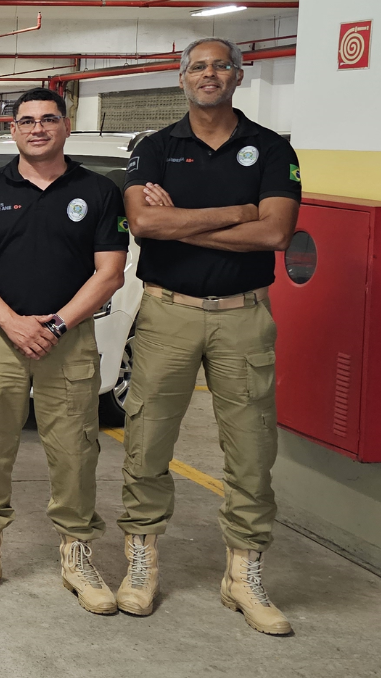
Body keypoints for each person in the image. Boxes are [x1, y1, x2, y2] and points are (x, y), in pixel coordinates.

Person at [118, 37, 300, 635]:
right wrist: (237, 213)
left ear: (239, 77)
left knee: (251, 449)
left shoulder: (271, 149)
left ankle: (242, 573)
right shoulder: (154, 149)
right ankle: (141, 562)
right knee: (146, 440)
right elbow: (144, 223)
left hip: (244, 314)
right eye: (198, 66)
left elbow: (275, 235)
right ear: (182, 78)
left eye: (221, 65)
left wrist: (182, 228)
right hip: (167, 312)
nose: (209, 74)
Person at [0, 88, 129, 611]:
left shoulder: (97, 191)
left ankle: (76, 553)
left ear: (65, 125)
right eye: (26, 121)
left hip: (69, 340)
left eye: (48, 119)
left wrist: (53, 324)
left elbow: (110, 272)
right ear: (13, 130)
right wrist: (11, 323)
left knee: (75, 447)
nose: (37, 129)